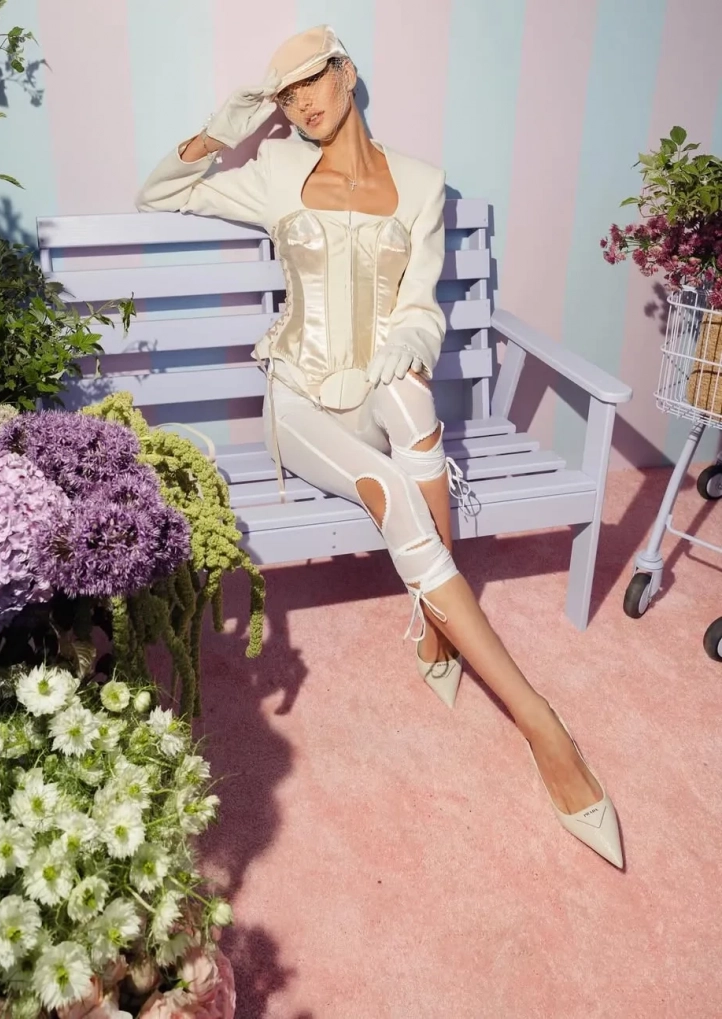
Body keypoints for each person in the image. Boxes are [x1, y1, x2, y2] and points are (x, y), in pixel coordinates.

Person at [135, 25, 623, 868]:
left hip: (375, 393)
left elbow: (422, 305)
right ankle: (542, 724)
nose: (302, 103)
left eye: (312, 80)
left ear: (347, 71)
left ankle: (438, 631)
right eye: (285, 94)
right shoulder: (275, 171)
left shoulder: (422, 185)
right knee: (395, 492)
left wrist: (411, 342)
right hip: (299, 404)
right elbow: (160, 192)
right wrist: (229, 124)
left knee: (410, 392)